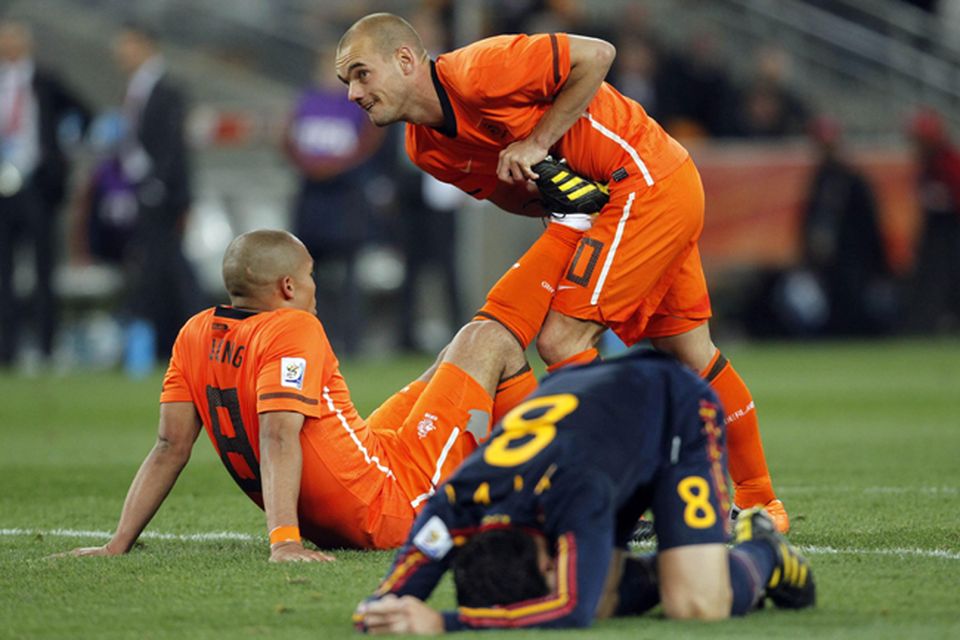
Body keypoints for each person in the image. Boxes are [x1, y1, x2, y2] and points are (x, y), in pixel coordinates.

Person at [335, 14, 789, 531]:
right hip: (642, 189)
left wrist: (539, 141)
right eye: (347, 81)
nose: (353, 93)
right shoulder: (426, 149)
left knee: (560, 339)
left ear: (405, 60)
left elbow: (597, 54)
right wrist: (549, 196)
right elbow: (520, 190)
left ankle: (615, 496)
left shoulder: (482, 69)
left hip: (639, 181)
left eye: (360, 74)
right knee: (689, 348)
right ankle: (761, 503)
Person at [58, 222, 583, 561]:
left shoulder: (195, 332)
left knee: (453, 356)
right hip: (387, 504)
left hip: (364, 469)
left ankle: (565, 232)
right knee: (491, 338)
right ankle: (559, 497)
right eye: (308, 277)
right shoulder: (294, 327)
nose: (314, 288)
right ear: (287, 288)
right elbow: (278, 434)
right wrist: (284, 543)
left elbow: (170, 447)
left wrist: (116, 544)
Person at [354, 350, 815, 633]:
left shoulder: (575, 494)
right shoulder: (454, 502)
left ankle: (765, 553)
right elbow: (387, 598)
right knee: (605, 596)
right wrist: (382, 611)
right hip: (591, 418)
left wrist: (443, 623)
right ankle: (675, 566)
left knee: (695, 604)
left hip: (673, 403)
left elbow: (572, 611)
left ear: (545, 554)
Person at [112, 23, 205, 374]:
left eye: (127, 44)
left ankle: (195, 343)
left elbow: (171, 146)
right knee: (162, 269)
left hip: (163, 197)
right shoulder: (136, 89)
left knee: (168, 270)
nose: (121, 52)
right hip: (145, 192)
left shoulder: (167, 90)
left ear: (146, 45)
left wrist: (158, 185)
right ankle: (178, 345)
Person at [282, 42, 386, 356]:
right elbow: (287, 138)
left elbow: (369, 141)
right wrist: (313, 166)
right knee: (309, 274)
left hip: (345, 198)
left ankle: (352, 341)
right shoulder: (306, 102)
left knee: (350, 274)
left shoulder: (353, 104)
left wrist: (333, 167)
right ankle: (314, 338)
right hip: (313, 199)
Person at [0, 20, 91, 367]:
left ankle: (46, 347)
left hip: (38, 185)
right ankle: (6, 350)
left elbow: (84, 113)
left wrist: (62, 153)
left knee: (43, 269)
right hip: (3, 188)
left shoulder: (45, 80)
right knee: (4, 273)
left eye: (13, 40)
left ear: (27, 44)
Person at [798, 116, 893, 335]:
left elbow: (870, 222)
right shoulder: (821, 178)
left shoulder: (851, 179)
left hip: (853, 254)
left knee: (853, 302)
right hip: (832, 257)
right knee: (834, 304)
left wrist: (877, 260)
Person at [904, 108, 960, 333]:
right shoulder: (930, 164)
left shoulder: (949, 161)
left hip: (952, 232)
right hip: (937, 232)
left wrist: (943, 200)